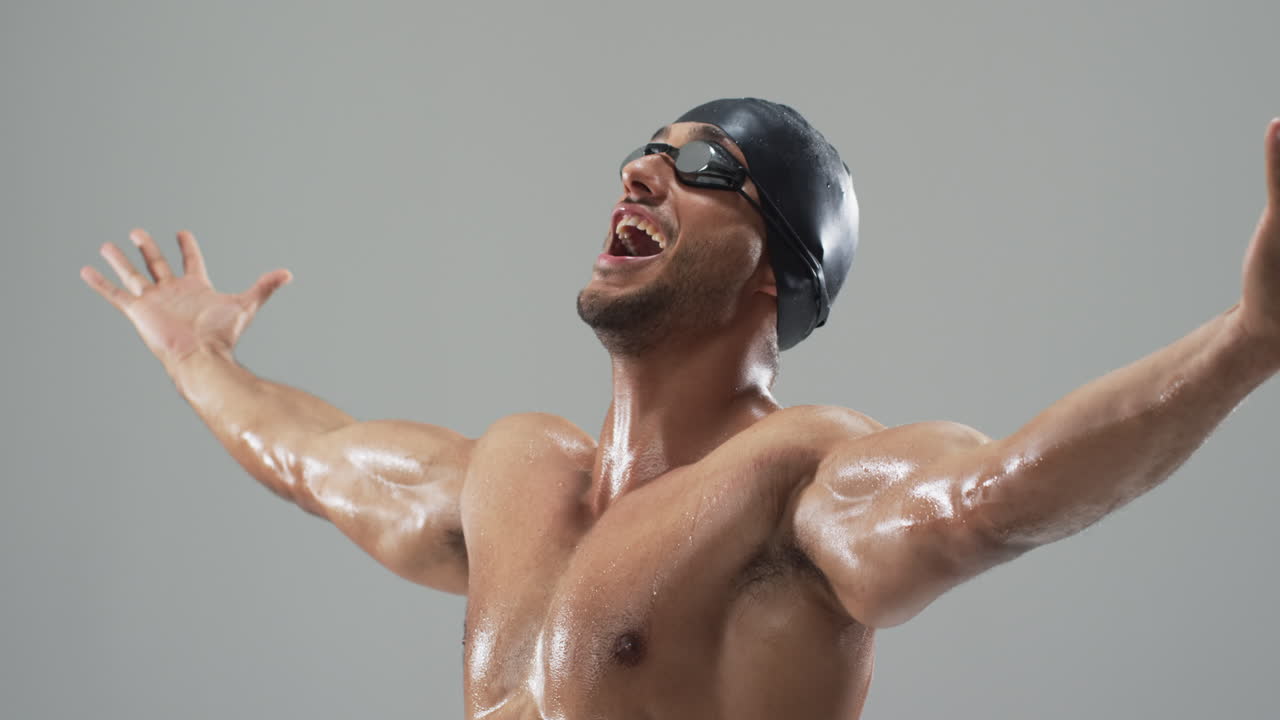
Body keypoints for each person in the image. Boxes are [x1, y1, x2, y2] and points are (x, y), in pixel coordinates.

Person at [80, 98, 1280, 720]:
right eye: (643, 152)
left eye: (706, 168)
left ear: (776, 268)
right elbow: (316, 458)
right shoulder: (512, 477)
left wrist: (1244, 344)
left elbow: (995, 495)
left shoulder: (799, 481)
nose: (641, 171)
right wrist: (199, 359)